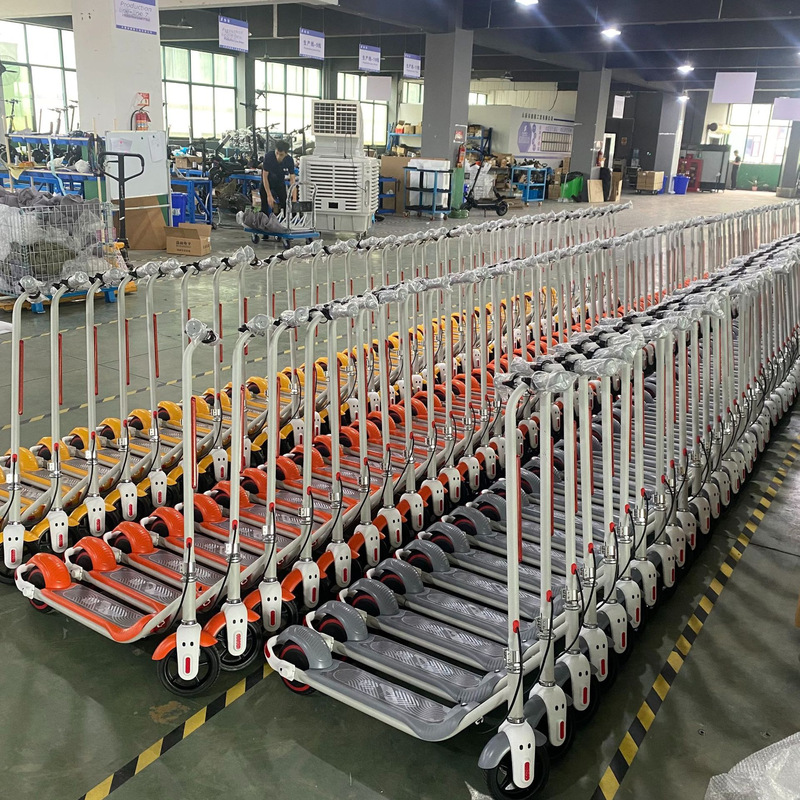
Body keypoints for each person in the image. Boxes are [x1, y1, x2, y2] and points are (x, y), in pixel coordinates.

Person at [260, 140, 295, 215]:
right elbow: (264, 177)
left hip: (279, 182)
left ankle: (285, 219)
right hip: (267, 182)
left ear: (286, 154)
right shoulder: (269, 157)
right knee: (264, 207)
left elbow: (292, 180)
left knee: (285, 204)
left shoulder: (289, 160)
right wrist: (269, 195)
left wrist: (294, 198)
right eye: (277, 153)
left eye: (281, 155)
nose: (278, 157)